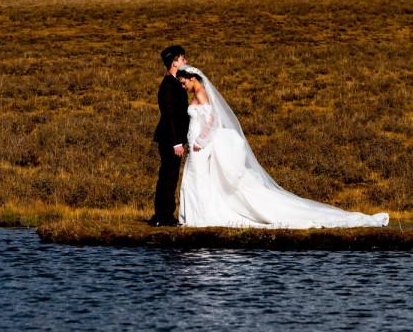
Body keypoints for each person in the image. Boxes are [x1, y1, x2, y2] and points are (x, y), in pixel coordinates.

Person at [176, 67, 389, 229]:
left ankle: (200, 216)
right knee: (196, 176)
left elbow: (212, 121)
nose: (183, 86)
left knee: (199, 177)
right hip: (196, 145)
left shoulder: (201, 93)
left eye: (184, 82)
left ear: (193, 79)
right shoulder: (196, 95)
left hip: (200, 146)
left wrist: (200, 141)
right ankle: (195, 216)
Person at [149, 45, 189, 226]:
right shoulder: (168, 86)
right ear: (174, 63)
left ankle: (163, 215)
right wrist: (176, 142)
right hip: (170, 139)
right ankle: (162, 215)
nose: (185, 61)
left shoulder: (175, 83)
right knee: (168, 175)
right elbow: (170, 115)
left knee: (170, 175)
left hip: (173, 138)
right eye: (182, 59)